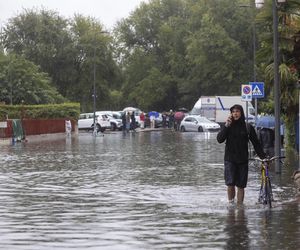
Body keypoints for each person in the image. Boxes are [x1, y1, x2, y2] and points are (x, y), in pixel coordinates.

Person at [217, 104, 266, 206]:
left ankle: (240, 207)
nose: (235, 113)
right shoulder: (227, 126)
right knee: (230, 184)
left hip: (243, 160)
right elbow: (219, 139)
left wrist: (264, 157)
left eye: (237, 111)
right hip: (230, 159)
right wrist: (226, 126)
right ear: (231, 114)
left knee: (241, 186)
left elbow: (256, 143)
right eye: (233, 111)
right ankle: (231, 205)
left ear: (241, 113)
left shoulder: (248, 127)